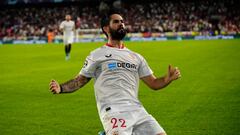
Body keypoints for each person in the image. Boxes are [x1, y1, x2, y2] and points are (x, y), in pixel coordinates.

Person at [50, 13, 181, 135]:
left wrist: (167, 79)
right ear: (106, 28)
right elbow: (80, 80)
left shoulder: (136, 57)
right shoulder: (97, 54)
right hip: (113, 111)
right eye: (116, 22)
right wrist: (61, 88)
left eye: (122, 22)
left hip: (138, 110)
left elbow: (153, 83)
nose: (121, 24)